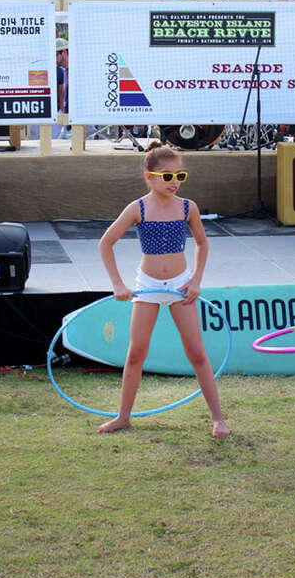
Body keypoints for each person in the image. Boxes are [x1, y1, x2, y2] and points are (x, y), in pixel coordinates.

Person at [95, 141, 229, 438]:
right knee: (135, 354)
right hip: (149, 286)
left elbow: (203, 243)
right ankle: (123, 416)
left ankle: (218, 419)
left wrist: (195, 281)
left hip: (181, 285)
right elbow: (106, 243)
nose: (174, 182)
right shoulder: (138, 207)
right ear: (150, 177)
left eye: (180, 176)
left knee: (196, 352)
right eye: (167, 176)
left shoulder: (187, 207)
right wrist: (118, 283)